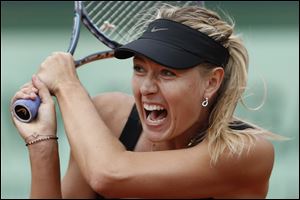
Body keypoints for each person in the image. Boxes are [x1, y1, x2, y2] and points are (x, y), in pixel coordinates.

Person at [11, 5, 284, 199]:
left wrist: (67, 83)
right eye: (139, 69)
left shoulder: (247, 153)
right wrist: (42, 144)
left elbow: (110, 174)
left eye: (167, 72)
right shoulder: (108, 116)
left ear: (211, 82)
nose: (146, 87)